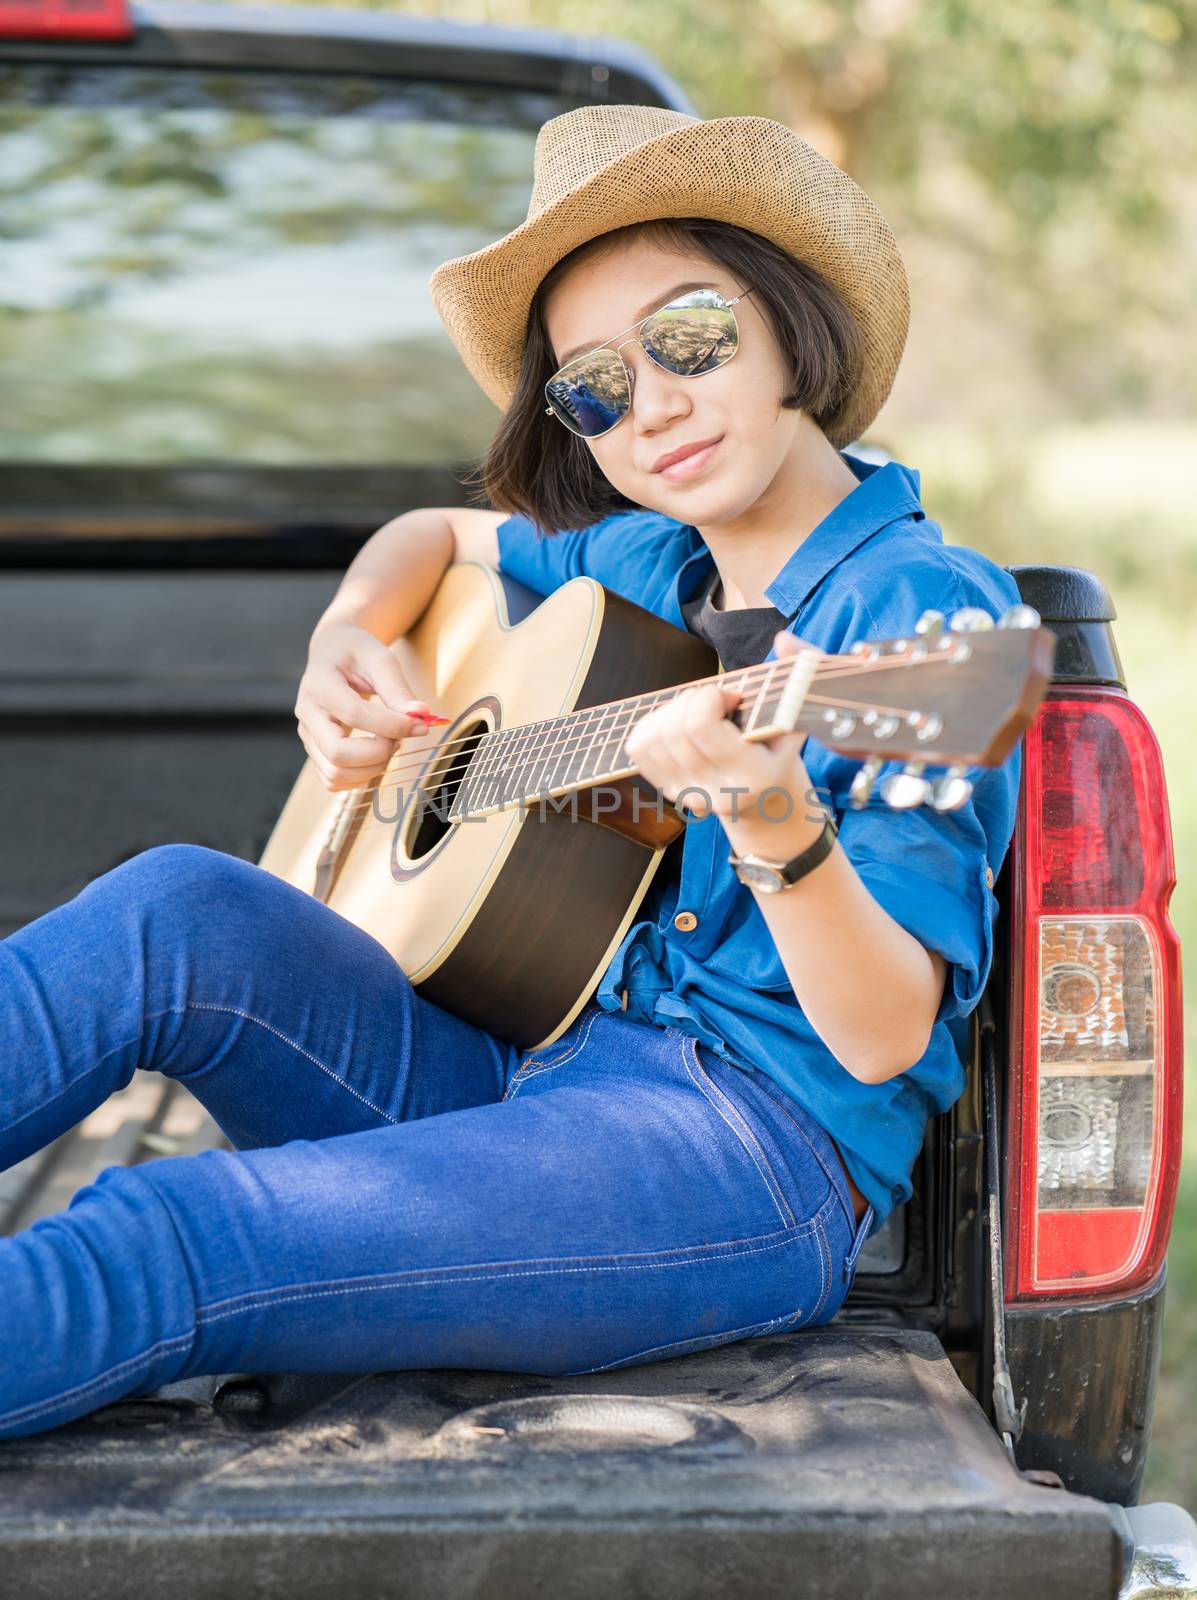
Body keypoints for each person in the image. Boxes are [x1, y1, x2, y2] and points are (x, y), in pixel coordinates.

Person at [0, 105, 1023, 1440]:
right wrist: (346, 636)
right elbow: (436, 534)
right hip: (534, 1066)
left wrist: (770, 815)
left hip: (738, 1159)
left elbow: (883, 1033)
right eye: (592, 387)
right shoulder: (657, 564)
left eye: (689, 338)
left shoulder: (918, 614)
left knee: (171, 1229)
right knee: (176, 911)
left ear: (787, 324)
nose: (648, 406)